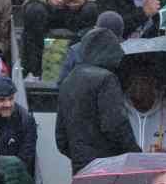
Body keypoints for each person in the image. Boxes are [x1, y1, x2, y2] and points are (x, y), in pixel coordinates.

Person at [54, 26, 137, 175]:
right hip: (109, 168)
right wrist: (135, 154)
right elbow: (115, 125)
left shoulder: (68, 80)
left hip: (80, 168)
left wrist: (80, 157)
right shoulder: (107, 79)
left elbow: (61, 138)